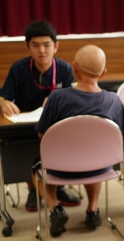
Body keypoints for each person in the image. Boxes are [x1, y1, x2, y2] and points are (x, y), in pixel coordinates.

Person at [32, 44, 124, 237]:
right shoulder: (114, 100)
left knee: (37, 163)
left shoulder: (57, 97)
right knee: (95, 156)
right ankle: (93, 210)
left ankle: (55, 208)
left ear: (74, 67)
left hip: (60, 168)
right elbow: (117, 135)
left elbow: (42, 136)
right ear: (103, 73)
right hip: (100, 168)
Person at [0, 19, 81, 211]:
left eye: (47, 45)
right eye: (35, 46)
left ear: (56, 46)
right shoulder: (19, 69)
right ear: (28, 47)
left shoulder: (65, 69)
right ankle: (33, 189)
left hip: (55, 126)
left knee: (65, 142)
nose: (41, 51)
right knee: (24, 148)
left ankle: (58, 186)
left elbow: (74, 99)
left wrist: (58, 100)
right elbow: (4, 96)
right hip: (24, 126)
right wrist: (3, 103)